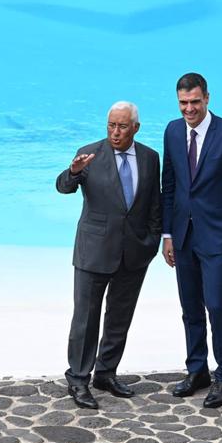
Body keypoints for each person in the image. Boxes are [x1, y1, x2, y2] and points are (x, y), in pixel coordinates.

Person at [56, 101, 162, 409]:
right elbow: (63, 187)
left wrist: (152, 241)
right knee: (85, 320)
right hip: (94, 252)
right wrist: (73, 172)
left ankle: (106, 373)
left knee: (119, 318)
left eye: (122, 126)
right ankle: (78, 379)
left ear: (135, 128)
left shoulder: (150, 157)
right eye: (111, 126)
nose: (116, 132)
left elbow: (154, 203)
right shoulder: (89, 153)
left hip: (134, 252)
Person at [161, 73, 222, 408]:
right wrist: (167, 234)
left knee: (216, 305)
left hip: (218, 236)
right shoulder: (173, 131)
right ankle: (197, 370)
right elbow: (169, 185)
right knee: (190, 308)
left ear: (207, 99)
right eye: (183, 103)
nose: (189, 109)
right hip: (183, 236)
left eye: (195, 102)